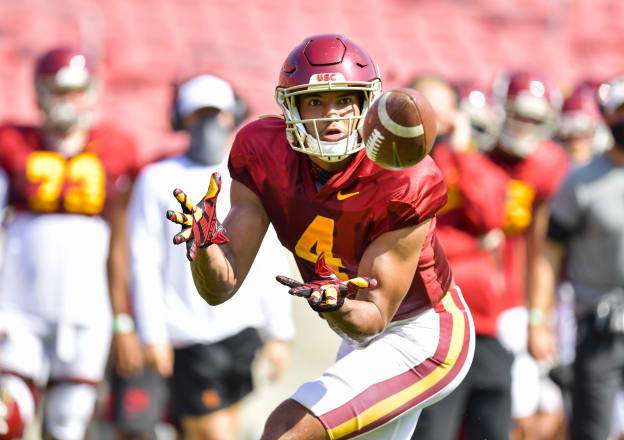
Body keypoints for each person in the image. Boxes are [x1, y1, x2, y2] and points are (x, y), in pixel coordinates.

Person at [165, 34, 475, 440]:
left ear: (366, 104)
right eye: (315, 101)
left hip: (421, 331)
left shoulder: (405, 177)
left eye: (344, 100)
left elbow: (373, 317)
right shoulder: (263, 151)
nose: (332, 116)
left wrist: (335, 306)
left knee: (287, 429)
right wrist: (205, 247)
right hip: (359, 331)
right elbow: (220, 287)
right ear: (290, 106)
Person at [110, 73, 295, 440]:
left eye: (218, 114)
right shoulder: (157, 179)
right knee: (210, 432)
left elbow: (269, 254)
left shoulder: (248, 174)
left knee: (225, 426)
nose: (210, 125)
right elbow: (143, 260)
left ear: (233, 115)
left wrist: (279, 331)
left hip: (241, 329)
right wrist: (152, 333)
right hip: (189, 332)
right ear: (182, 119)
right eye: (199, 115)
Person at [0, 46, 140, 440]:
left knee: (67, 425)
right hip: (19, 308)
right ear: (40, 93)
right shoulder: (12, 142)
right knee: (5, 418)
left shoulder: (117, 148)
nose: (70, 101)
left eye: (78, 90)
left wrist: (122, 319)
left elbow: (121, 243)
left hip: (85, 310)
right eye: (60, 91)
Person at [537, 73, 624, 440]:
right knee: (590, 429)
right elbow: (549, 250)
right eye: (619, 113)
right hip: (598, 323)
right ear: (605, 117)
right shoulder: (582, 180)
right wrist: (538, 318)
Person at [408, 75, 514, 440]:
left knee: (492, 430)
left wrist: (463, 150)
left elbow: (490, 215)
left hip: (483, 324)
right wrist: (476, 245)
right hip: (429, 323)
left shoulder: (472, 162)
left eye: (440, 107)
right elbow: (418, 248)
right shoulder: (399, 169)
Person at [485, 70, 570, 440]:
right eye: (519, 114)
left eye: (534, 118)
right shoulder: (477, 160)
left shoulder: (549, 164)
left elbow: (543, 251)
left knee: (536, 411)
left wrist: (539, 316)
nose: (524, 126)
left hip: (523, 303)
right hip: (481, 301)